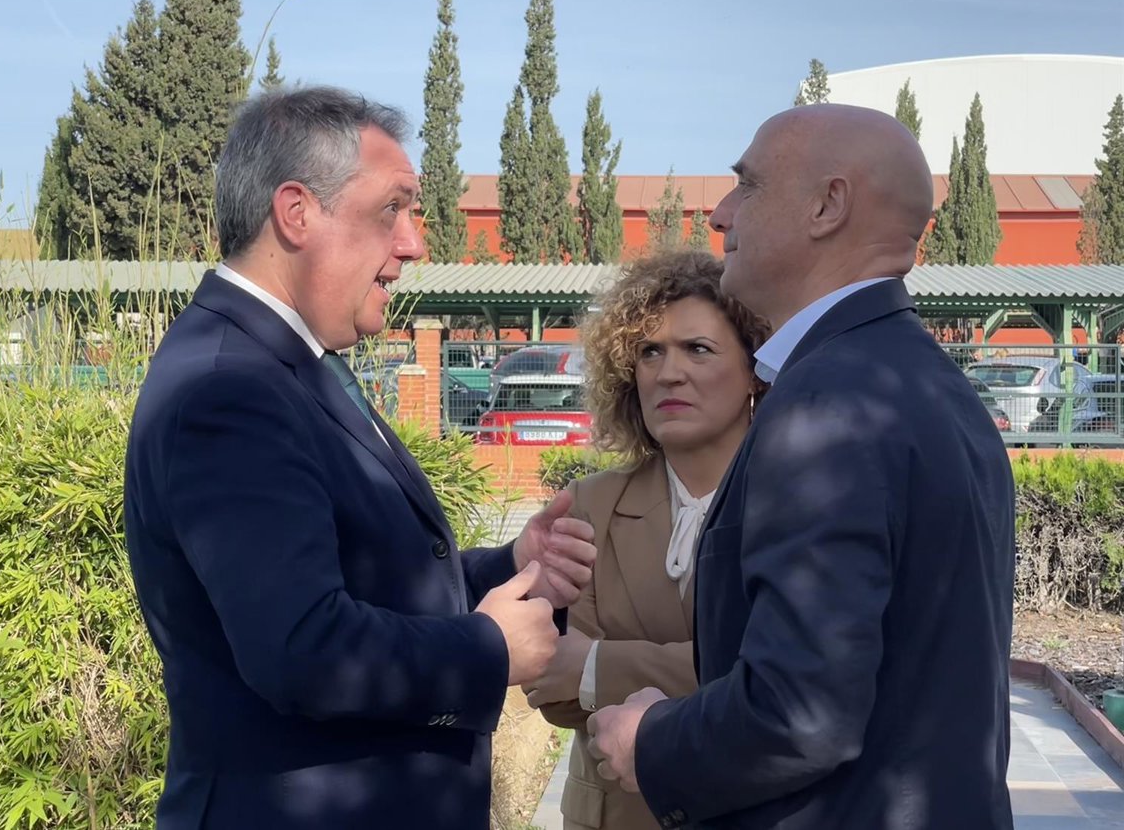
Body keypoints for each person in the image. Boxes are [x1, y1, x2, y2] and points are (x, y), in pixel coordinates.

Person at [123, 86, 596, 830]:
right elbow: (301, 647)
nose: (413, 244)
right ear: (296, 213)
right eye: (391, 209)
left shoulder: (284, 363)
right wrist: (486, 648)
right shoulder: (230, 390)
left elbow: (365, 579)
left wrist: (511, 565)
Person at [587, 104, 1016, 830]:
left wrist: (650, 741)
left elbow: (800, 711)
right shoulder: (930, 385)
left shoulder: (828, 403)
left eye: (747, 185)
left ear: (828, 205)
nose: (721, 214)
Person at [526, 250, 769, 830]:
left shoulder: (797, 502)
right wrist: (705, 676)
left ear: (755, 370)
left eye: (698, 349)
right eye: (649, 352)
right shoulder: (589, 504)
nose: (668, 372)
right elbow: (551, 684)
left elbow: (785, 683)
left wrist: (596, 666)